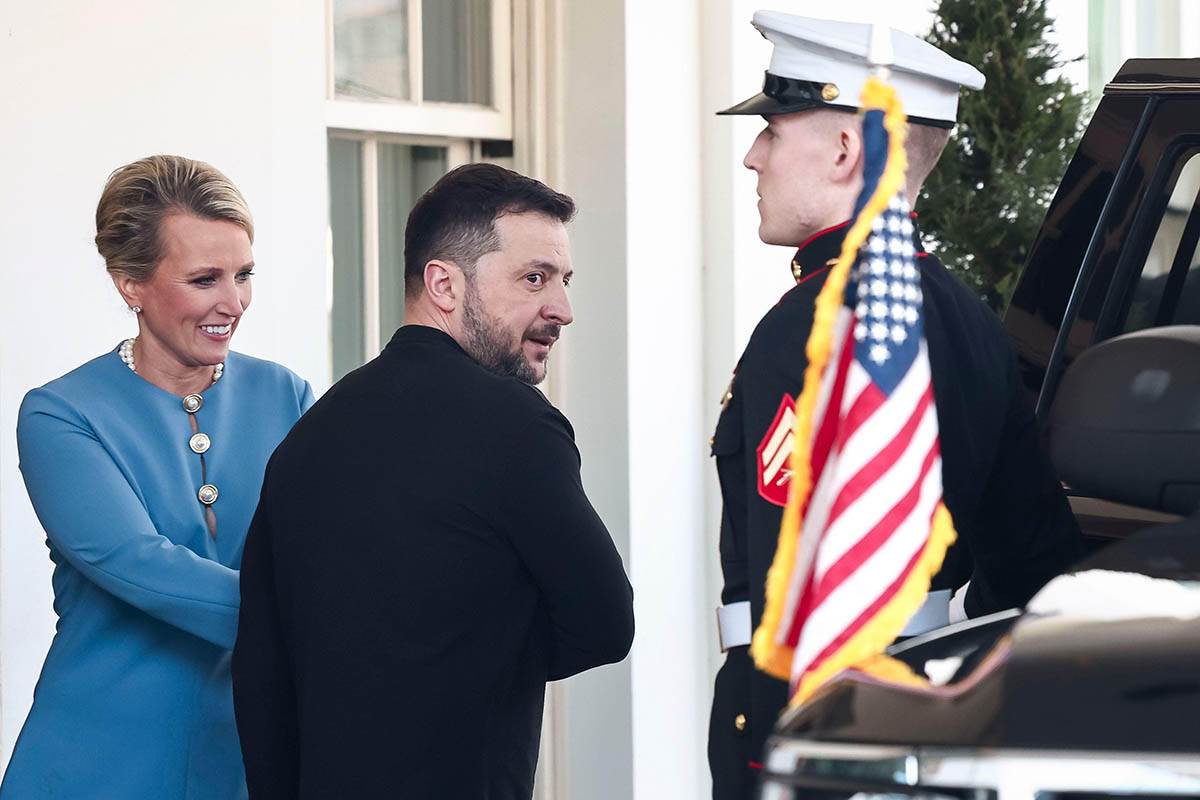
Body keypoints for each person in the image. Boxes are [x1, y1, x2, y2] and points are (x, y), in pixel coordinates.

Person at [707, 12, 1084, 798]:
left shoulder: (812, 327)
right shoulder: (970, 320)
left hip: (818, 732)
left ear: (846, 149)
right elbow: (1035, 567)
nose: (753, 156)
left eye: (773, 131)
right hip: (931, 722)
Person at [232, 163, 635, 800]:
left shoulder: (309, 435)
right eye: (535, 278)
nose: (562, 309)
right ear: (444, 284)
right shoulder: (520, 426)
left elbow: (262, 669)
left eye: (563, 281)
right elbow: (606, 624)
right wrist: (482, 658)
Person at [0, 155, 314, 799]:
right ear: (130, 284)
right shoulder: (62, 413)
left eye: (244, 274)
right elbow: (137, 562)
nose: (233, 302)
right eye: (205, 279)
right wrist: (329, 618)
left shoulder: (287, 395)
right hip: (100, 762)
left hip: (250, 759)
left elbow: (342, 548)